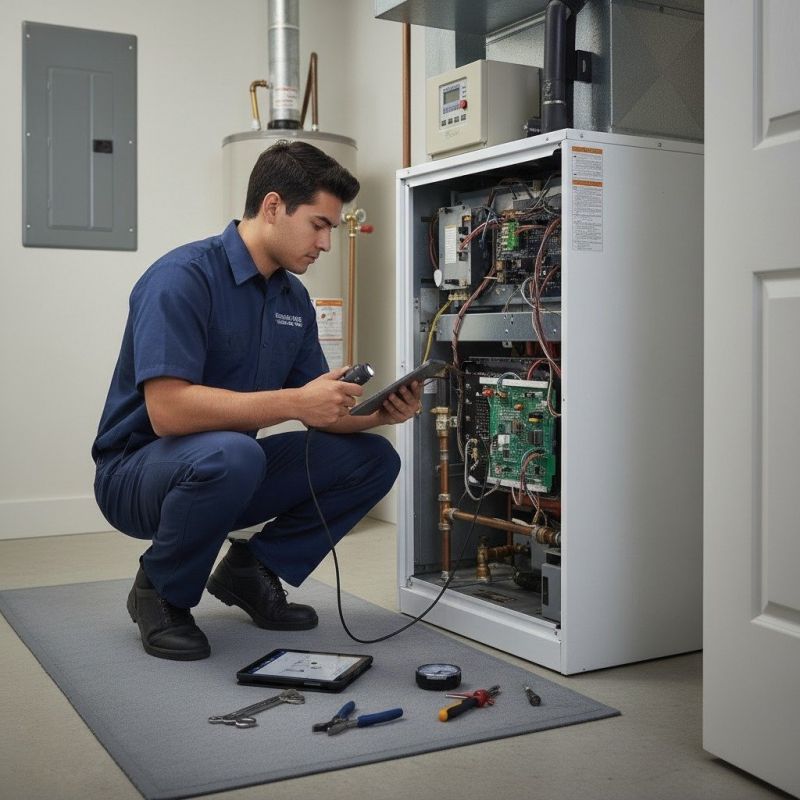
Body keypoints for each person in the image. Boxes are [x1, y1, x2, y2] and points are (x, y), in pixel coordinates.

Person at [92, 140, 420, 661]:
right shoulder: (181, 278)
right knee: (234, 453)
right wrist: (296, 401)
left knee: (374, 459)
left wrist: (379, 414)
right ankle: (159, 590)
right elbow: (168, 411)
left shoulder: (293, 299)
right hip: (135, 473)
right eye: (318, 224)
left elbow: (318, 411)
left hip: (225, 467)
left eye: (332, 229)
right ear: (272, 207)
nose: (326, 244)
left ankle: (252, 569)